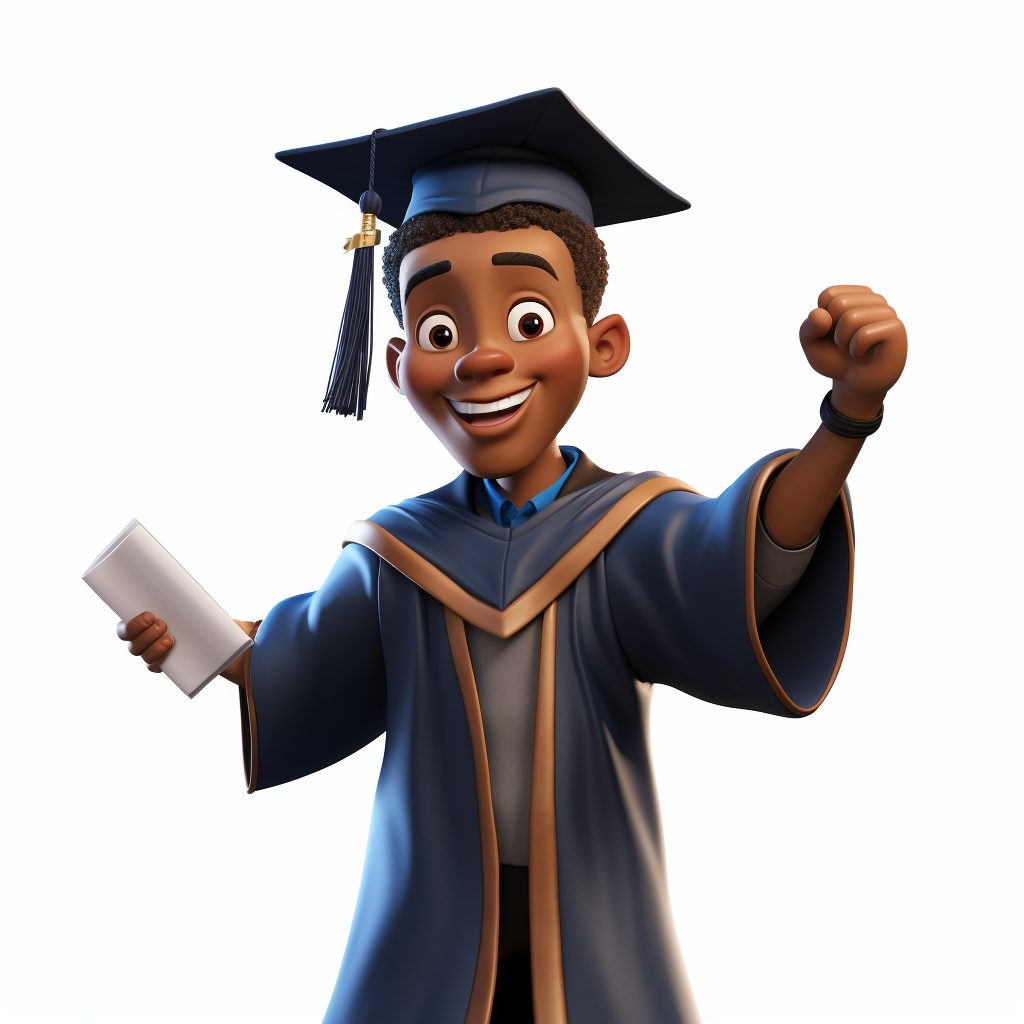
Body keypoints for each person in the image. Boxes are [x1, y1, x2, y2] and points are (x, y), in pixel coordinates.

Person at [115, 89, 907, 1024]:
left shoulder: (629, 525)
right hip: (427, 921)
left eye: (528, 319)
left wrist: (846, 417)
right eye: (444, 332)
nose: (484, 360)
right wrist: (196, 644)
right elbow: (301, 659)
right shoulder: (396, 550)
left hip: (595, 921)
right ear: (403, 359)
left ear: (600, 344)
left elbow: (747, 561)